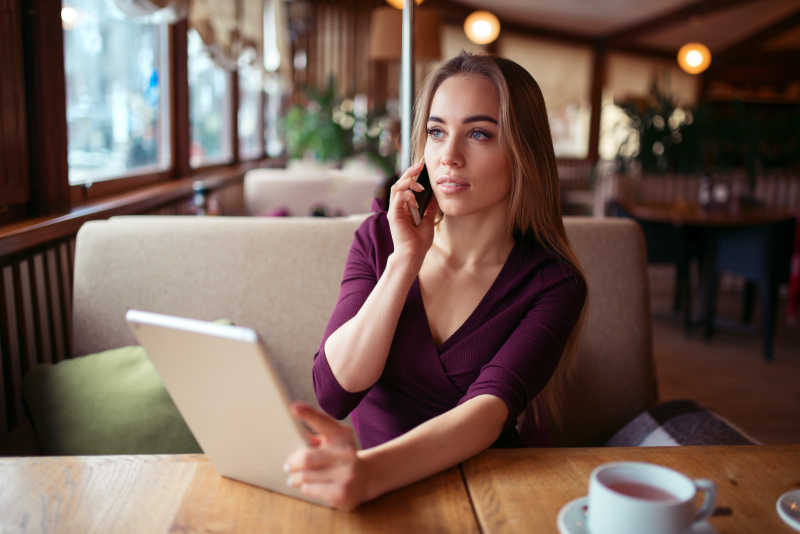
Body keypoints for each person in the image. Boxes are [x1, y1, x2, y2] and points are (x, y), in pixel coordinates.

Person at [284, 52, 587, 510]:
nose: (449, 157)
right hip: (367, 494)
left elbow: (486, 412)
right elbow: (334, 391)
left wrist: (371, 472)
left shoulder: (553, 284)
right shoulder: (378, 239)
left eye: (480, 133)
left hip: (485, 496)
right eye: (437, 131)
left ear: (523, 152)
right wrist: (405, 259)